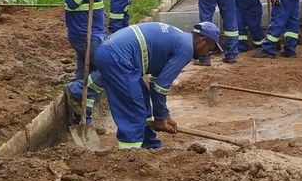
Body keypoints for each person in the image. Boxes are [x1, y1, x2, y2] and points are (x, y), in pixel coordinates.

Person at [95, 22, 223, 149]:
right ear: (202, 41)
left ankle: (149, 147)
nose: (207, 54)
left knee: (143, 101)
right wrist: (160, 119)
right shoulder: (186, 49)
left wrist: (164, 115)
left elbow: (156, 82)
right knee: (134, 109)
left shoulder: (179, 39)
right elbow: (160, 88)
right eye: (210, 49)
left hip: (113, 53)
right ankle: (130, 156)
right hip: (117, 56)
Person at [63, 0, 106, 125]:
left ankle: (82, 119)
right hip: (86, 35)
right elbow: (70, 2)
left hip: (87, 33)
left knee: (86, 74)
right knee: (109, 68)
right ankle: (76, 90)